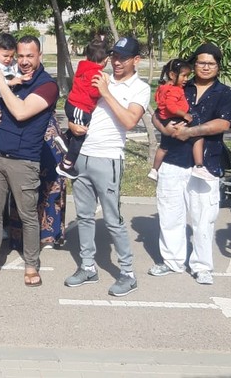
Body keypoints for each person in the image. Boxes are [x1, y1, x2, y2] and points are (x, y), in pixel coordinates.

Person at [62, 37, 150, 296]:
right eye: (114, 56)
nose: (117, 61)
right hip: (82, 156)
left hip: (108, 158)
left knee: (113, 220)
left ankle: (128, 273)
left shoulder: (139, 88)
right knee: (84, 217)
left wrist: (106, 93)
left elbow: (130, 121)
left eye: (123, 57)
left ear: (136, 60)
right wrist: (71, 124)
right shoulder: (99, 75)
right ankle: (88, 267)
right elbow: (78, 103)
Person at [0, 35, 59, 288]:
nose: (24, 61)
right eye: (20, 56)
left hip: (24, 160)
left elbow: (20, 112)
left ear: (40, 56)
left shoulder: (47, 85)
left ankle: (31, 266)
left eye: (30, 56)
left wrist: (3, 84)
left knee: (28, 215)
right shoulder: (9, 75)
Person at [149, 43, 231, 286]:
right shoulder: (179, 86)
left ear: (218, 66)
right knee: (170, 215)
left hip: (205, 163)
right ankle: (172, 261)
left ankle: (202, 266)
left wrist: (192, 131)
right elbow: (158, 113)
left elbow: (223, 124)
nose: (205, 67)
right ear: (194, 64)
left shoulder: (224, 93)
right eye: (201, 62)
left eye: (211, 63)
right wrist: (164, 127)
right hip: (174, 160)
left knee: (203, 218)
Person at [149, 59, 214, 182]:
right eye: (184, 76)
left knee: (163, 147)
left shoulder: (163, 87)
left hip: (165, 119)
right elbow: (171, 106)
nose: (185, 79)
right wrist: (184, 115)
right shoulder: (175, 89)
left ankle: (154, 169)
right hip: (175, 119)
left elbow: (158, 100)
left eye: (187, 76)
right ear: (173, 75)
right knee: (198, 137)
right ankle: (199, 165)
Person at [56, 39, 108, 179]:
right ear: (105, 60)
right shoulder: (96, 74)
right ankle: (66, 165)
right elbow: (94, 92)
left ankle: (64, 138)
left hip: (72, 104)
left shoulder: (84, 67)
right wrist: (104, 87)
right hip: (80, 107)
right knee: (80, 137)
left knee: (77, 132)